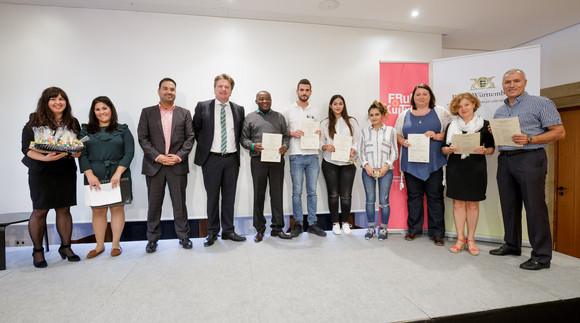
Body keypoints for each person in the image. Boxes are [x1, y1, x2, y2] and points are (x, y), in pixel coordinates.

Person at [489, 69, 565, 270]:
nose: (511, 85)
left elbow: (559, 132)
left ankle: (541, 256)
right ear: (502, 85)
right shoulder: (500, 111)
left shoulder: (541, 103)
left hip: (530, 158)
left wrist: (531, 138)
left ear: (524, 82)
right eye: (507, 82)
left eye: (516, 81)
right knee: (509, 205)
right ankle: (512, 245)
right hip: (505, 159)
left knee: (534, 207)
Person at [21, 87, 82, 268]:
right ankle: (38, 251)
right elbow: (26, 149)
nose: (58, 102)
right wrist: (45, 157)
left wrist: (75, 151)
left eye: (62, 99)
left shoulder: (72, 121)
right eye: (53, 99)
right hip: (41, 171)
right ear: (46, 102)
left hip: (65, 171)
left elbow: (77, 149)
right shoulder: (34, 120)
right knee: (40, 211)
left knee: (64, 209)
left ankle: (66, 247)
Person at [137, 78, 194, 253]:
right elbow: (143, 138)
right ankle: (152, 239)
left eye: (172, 89)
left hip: (177, 165)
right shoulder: (147, 112)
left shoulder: (184, 113)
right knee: (154, 204)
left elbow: (190, 138)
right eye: (166, 89)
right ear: (159, 91)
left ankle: (183, 236)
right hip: (155, 166)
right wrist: (158, 157)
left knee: (180, 204)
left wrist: (177, 157)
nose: (169, 92)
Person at [395, 83, 451, 246]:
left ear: (430, 96)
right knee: (414, 198)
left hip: (434, 163)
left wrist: (436, 135)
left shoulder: (440, 112)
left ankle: (437, 233)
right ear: (413, 97)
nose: (421, 97)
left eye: (424, 94)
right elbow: (397, 134)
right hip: (412, 163)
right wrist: (403, 141)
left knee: (435, 197)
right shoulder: (404, 114)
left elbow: (450, 133)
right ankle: (414, 229)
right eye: (418, 94)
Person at [193, 73, 246, 246]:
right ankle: (212, 232)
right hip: (211, 160)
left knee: (229, 197)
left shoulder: (238, 109)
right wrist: (206, 149)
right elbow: (195, 131)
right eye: (220, 86)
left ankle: (228, 231)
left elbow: (239, 134)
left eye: (227, 87)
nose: (223, 89)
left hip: (231, 159)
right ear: (214, 88)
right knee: (212, 197)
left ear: (231, 90)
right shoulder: (203, 107)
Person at [79, 96, 135, 258]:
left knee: (117, 209)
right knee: (98, 211)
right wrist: (89, 174)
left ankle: (116, 245)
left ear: (111, 109)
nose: (101, 112)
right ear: (93, 112)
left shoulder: (122, 129)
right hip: (94, 175)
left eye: (104, 108)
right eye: (97, 109)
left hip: (119, 174)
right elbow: (82, 153)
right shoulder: (85, 132)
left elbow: (129, 152)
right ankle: (99, 246)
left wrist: (118, 173)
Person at [441, 93, 494, 255]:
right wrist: (449, 149)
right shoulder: (451, 125)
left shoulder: (485, 125)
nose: (463, 108)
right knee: (457, 204)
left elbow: (491, 150)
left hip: (476, 169)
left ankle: (471, 239)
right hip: (456, 168)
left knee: (472, 204)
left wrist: (483, 150)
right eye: (459, 106)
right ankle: (460, 239)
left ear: (474, 105)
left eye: (466, 105)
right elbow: (443, 148)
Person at [241, 91, 291, 242]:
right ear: (256, 100)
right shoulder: (249, 117)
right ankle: (259, 229)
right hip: (258, 161)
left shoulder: (279, 117)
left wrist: (285, 146)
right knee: (259, 195)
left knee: (277, 195)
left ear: (271, 100)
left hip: (277, 160)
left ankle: (277, 228)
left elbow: (286, 136)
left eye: (267, 98)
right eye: (261, 99)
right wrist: (253, 146)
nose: (265, 101)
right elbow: (243, 139)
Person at [283, 79, 326, 237]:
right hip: (296, 155)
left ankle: (313, 223)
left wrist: (318, 133)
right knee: (296, 192)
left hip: (313, 155)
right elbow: (283, 130)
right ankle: (298, 224)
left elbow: (319, 130)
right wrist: (291, 133)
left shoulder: (315, 110)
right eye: (301, 90)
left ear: (310, 92)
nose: (304, 93)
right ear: (297, 91)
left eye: (307, 90)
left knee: (312, 192)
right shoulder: (288, 110)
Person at [320, 95, 360, 235]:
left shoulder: (351, 122)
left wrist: (353, 149)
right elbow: (320, 142)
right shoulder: (325, 123)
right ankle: (335, 223)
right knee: (333, 194)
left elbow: (357, 140)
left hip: (347, 163)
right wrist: (326, 146)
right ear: (330, 106)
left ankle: (345, 223)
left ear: (344, 105)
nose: (338, 106)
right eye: (335, 104)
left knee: (346, 195)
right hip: (329, 162)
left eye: (340, 103)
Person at [359, 101, 398, 241]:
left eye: (377, 114)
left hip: (385, 171)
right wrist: (366, 166)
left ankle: (383, 228)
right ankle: (371, 228)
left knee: (384, 201)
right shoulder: (364, 131)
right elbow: (360, 151)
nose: (374, 117)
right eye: (371, 115)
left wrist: (386, 166)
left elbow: (394, 152)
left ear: (382, 115)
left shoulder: (391, 131)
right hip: (368, 170)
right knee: (370, 200)